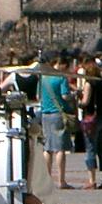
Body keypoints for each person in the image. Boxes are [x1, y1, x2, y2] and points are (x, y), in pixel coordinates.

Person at [37, 55, 74, 190]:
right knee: (60, 148)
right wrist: (73, 96)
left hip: (45, 114)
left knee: (48, 148)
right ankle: (61, 180)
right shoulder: (61, 77)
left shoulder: (43, 77)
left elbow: (38, 96)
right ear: (61, 64)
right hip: (58, 114)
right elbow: (65, 95)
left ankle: (47, 179)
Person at [77, 62, 102, 190]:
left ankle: (92, 180)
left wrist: (79, 101)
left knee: (91, 148)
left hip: (92, 118)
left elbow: (85, 101)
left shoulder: (89, 84)